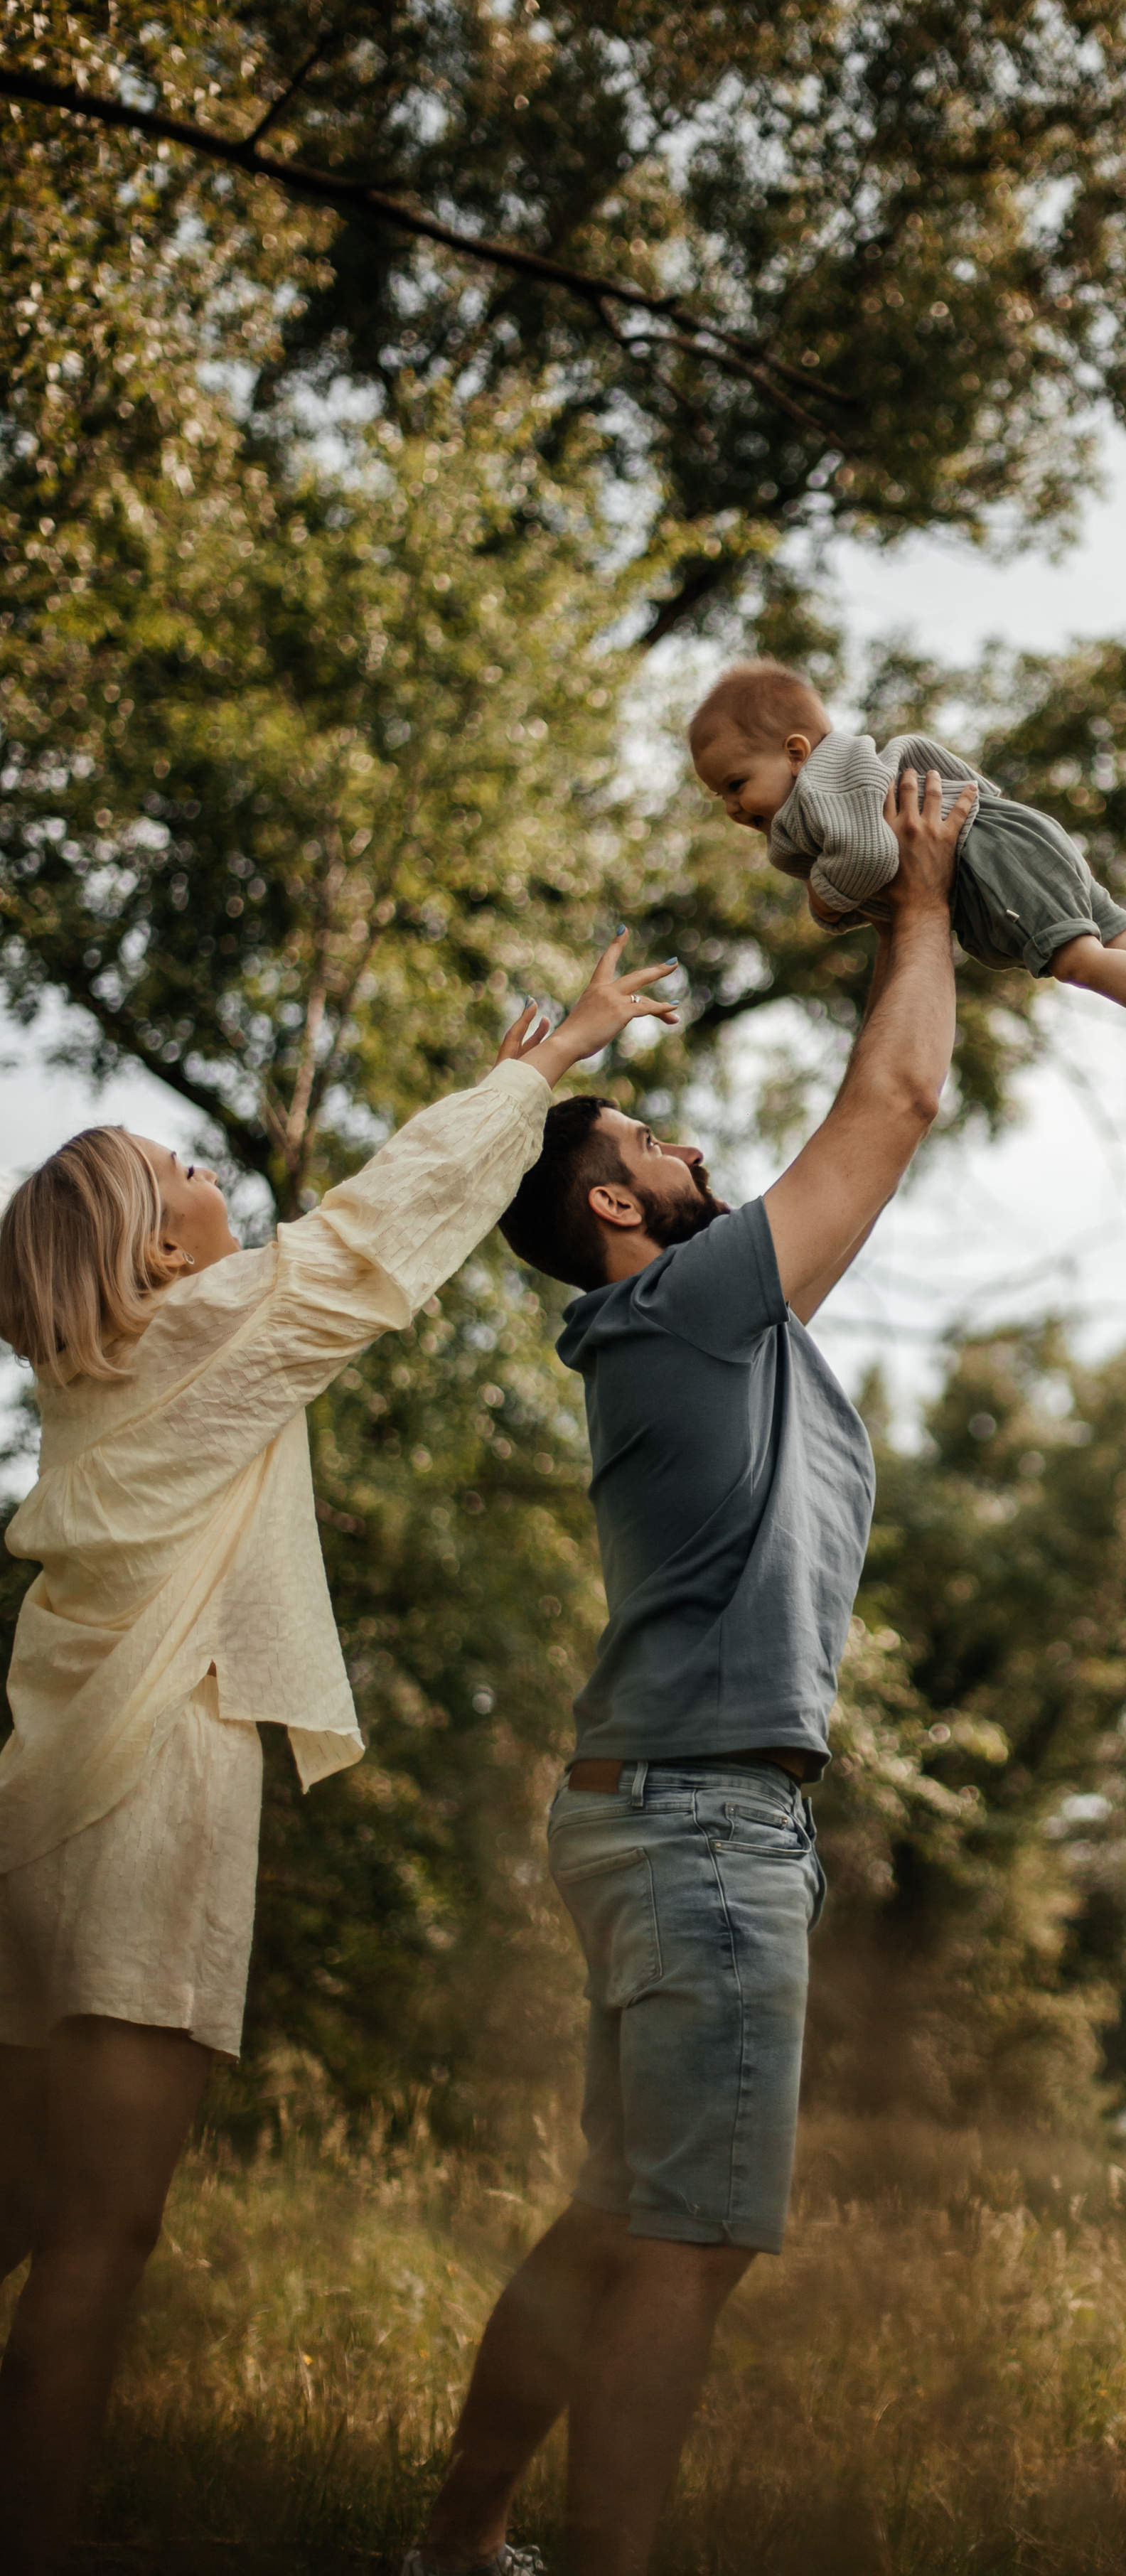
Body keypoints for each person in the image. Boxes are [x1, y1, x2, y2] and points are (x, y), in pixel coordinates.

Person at [0, 935, 680, 2576]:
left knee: (27, 2206)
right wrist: (546, 1069)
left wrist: (505, 1097)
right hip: (141, 1816)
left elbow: (362, 1232)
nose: (202, 1169)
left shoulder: (109, 1387)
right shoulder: (191, 1340)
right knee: (100, 2238)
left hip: (46, 1822)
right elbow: (366, 1245)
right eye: (174, 1169)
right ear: (146, 1248)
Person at [407, 768, 972, 2576]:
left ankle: (457, 2546)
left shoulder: (701, 1324)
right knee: (688, 2237)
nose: (688, 1150)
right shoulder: (683, 1307)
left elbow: (868, 1115)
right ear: (616, 1205)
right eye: (651, 1140)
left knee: (622, 2212)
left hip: (663, 1813)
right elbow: (894, 1101)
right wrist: (921, 901)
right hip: (703, 1830)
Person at [688, 655, 1126, 1080]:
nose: (733, 808)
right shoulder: (856, 763)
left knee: (1077, 960)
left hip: (988, 857)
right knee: (1124, 936)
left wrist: (825, 902)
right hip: (1015, 834)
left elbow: (871, 855)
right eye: (720, 796)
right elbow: (940, 769)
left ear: (796, 753)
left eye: (737, 784)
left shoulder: (822, 790)